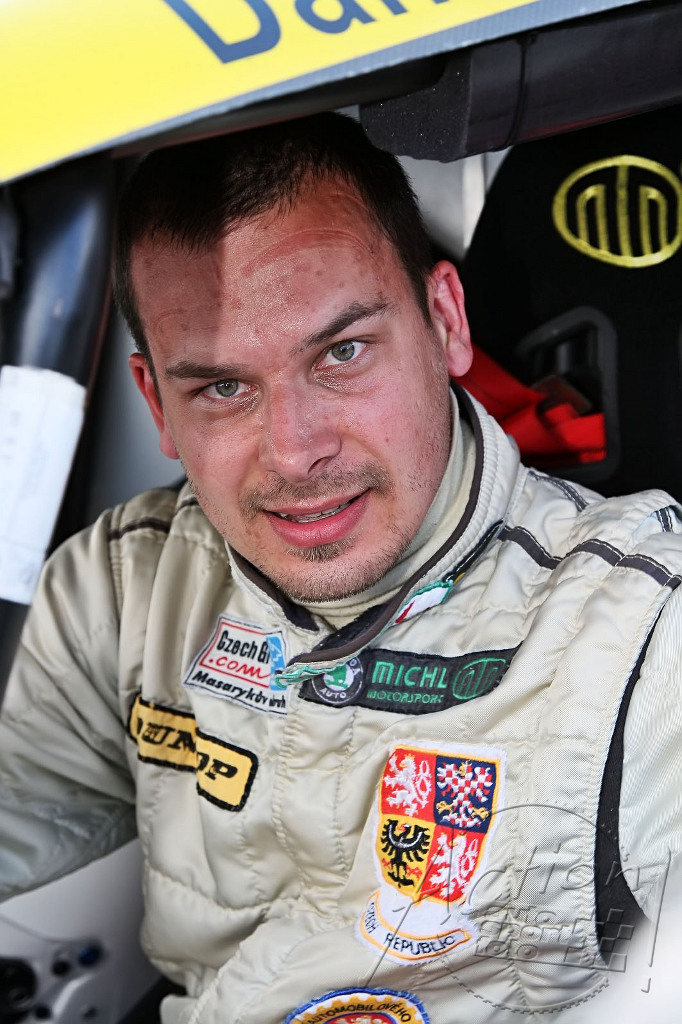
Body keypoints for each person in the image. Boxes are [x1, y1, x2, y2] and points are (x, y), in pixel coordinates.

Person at [1, 113, 682, 1024]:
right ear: (157, 405)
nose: (294, 451)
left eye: (342, 353)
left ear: (445, 323)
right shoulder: (119, 590)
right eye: (223, 388)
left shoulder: (641, 636)